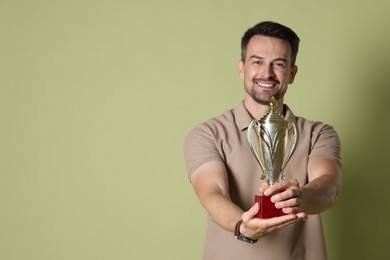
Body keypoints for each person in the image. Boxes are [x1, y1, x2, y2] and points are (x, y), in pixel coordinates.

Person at [183, 21, 342, 260]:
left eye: (278, 64)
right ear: (242, 69)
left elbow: (329, 187)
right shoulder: (208, 133)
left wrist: (299, 197)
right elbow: (212, 193)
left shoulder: (318, 134)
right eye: (257, 62)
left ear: (292, 73)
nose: (266, 73)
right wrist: (242, 226)